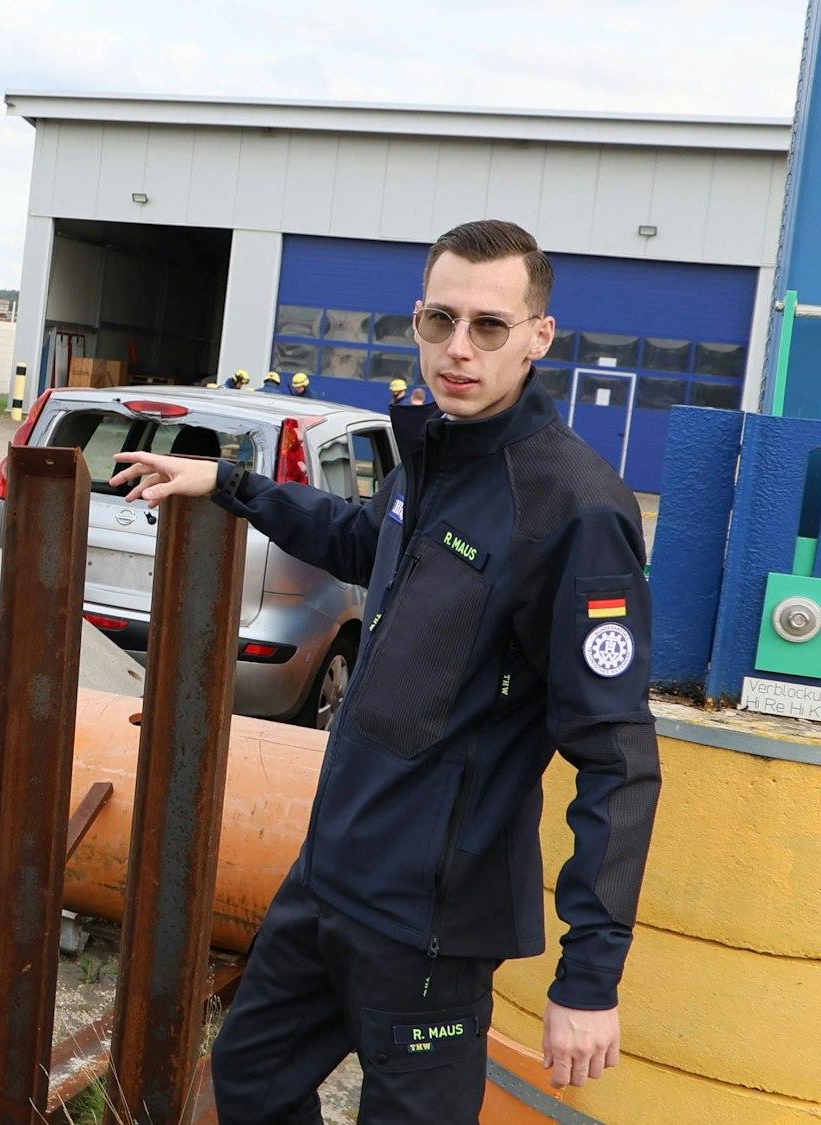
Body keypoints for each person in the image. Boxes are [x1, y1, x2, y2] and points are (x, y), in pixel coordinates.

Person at [111, 219, 658, 1124]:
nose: (458, 348)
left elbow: (618, 758)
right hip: (330, 877)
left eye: (489, 326)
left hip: (431, 923)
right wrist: (232, 485)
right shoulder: (434, 452)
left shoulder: (572, 508)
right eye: (439, 320)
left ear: (539, 334)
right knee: (249, 1080)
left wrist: (590, 977)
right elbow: (373, 541)